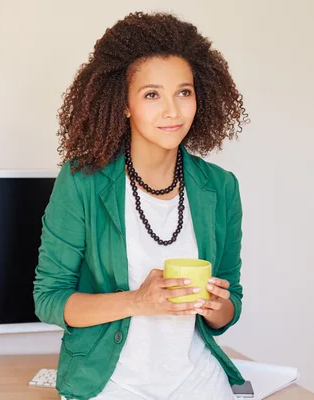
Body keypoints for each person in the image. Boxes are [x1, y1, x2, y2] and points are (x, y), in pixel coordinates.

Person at [33, 11, 250, 400]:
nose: (172, 110)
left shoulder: (220, 187)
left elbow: (230, 302)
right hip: (110, 385)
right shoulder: (83, 181)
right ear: (124, 104)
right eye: (152, 94)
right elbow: (49, 299)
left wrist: (217, 305)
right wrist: (138, 301)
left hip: (200, 384)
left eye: (184, 92)